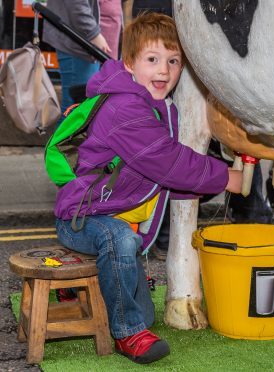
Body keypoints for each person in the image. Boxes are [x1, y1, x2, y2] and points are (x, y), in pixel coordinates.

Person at [54, 12, 242, 364]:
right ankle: (127, 334)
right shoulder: (126, 108)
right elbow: (169, 162)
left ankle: (87, 286)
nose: (164, 71)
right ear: (128, 64)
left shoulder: (156, 107)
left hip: (115, 217)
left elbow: (167, 180)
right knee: (119, 240)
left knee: (148, 311)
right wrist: (225, 177)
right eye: (152, 60)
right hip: (84, 217)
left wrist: (201, 186)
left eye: (173, 61)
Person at [43, 0, 111, 117]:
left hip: (79, 42)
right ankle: (63, 136)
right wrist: (94, 34)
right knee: (75, 111)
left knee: (77, 110)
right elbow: (76, 4)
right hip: (78, 43)